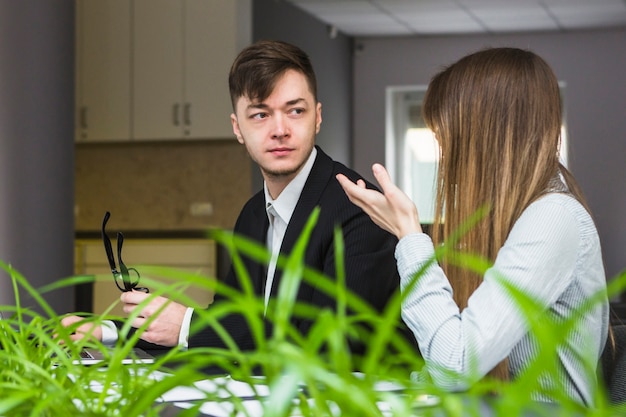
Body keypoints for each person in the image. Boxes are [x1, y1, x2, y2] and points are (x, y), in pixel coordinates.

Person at [62, 40, 409, 364]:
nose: (279, 129)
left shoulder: (358, 206)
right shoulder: (254, 213)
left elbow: (334, 341)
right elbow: (231, 323)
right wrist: (108, 331)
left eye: (295, 111)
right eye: (260, 114)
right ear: (237, 128)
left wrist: (187, 325)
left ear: (317, 117)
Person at [337, 47, 609, 405]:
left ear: (482, 136)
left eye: (446, 138)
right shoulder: (515, 217)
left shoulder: (552, 218)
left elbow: (457, 364)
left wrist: (410, 237)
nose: (445, 155)